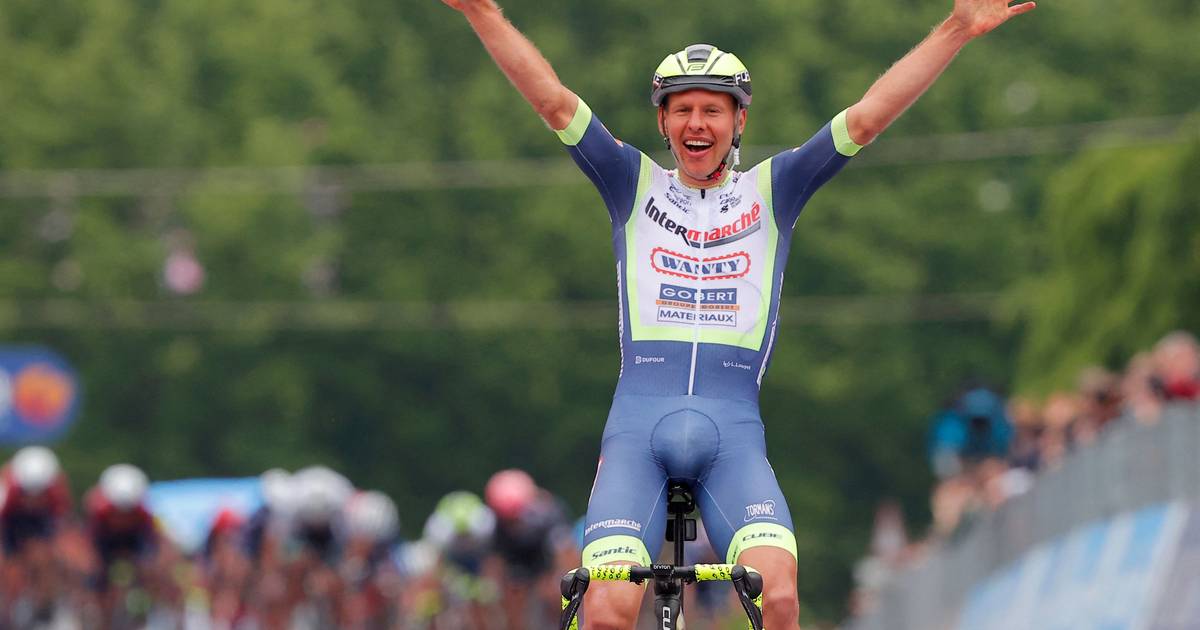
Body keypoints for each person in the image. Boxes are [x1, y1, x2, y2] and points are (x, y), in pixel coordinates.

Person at [441, 0, 1036, 627]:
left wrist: (955, 28)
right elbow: (553, 103)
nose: (697, 124)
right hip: (638, 432)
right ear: (663, 120)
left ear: (738, 119)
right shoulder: (631, 183)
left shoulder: (775, 189)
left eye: (713, 110)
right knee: (608, 612)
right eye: (683, 110)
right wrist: (483, 12)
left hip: (732, 435)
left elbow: (867, 117)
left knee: (777, 599)